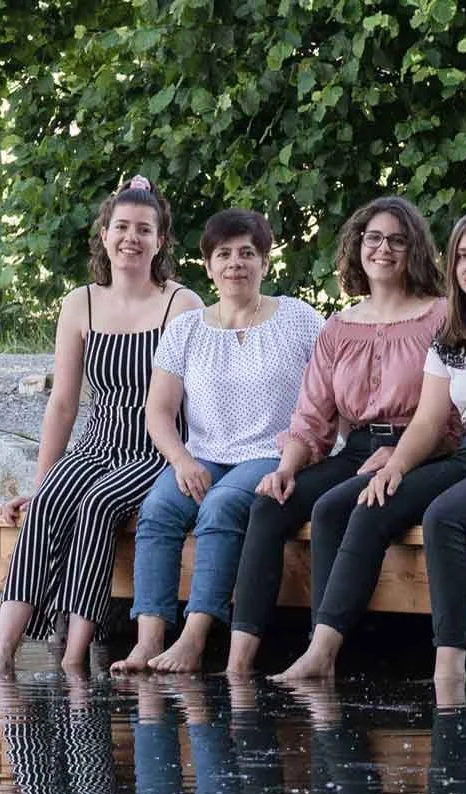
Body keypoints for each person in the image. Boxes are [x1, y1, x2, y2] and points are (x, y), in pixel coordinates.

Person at [273, 209, 466, 683]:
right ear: (452, 266)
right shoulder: (451, 332)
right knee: (373, 503)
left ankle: (448, 664)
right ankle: (323, 651)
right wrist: (395, 467)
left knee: (442, 518)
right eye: (464, 256)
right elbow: (430, 420)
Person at [222, 196, 454, 675]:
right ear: (358, 246)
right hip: (359, 449)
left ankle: (321, 652)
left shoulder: (441, 316)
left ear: (414, 248)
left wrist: (403, 451)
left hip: (423, 450)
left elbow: (455, 411)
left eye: (397, 239)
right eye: (374, 238)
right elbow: (312, 415)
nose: (383, 249)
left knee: (335, 508)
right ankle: (238, 661)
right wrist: (286, 468)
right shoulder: (339, 327)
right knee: (269, 504)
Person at [0, 176, 202, 677]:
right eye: (121, 227)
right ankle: (2, 651)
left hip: (153, 448)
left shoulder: (180, 303)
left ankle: (74, 655)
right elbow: (62, 404)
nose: (131, 237)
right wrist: (42, 484)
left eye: (143, 229)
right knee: (50, 504)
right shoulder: (79, 303)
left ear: (160, 241)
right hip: (96, 442)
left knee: (98, 505)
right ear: (104, 235)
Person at [110, 209, 323, 674]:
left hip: (271, 454)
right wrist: (182, 461)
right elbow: (159, 412)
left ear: (265, 262)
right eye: (223, 254)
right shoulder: (187, 329)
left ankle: (194, 637)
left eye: (247, 253)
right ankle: (148, 639)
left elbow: (328, 394)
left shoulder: (298, 318)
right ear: (207, 266)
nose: (235, 264)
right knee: (159, 510)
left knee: (221, 507)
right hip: (203, 455)